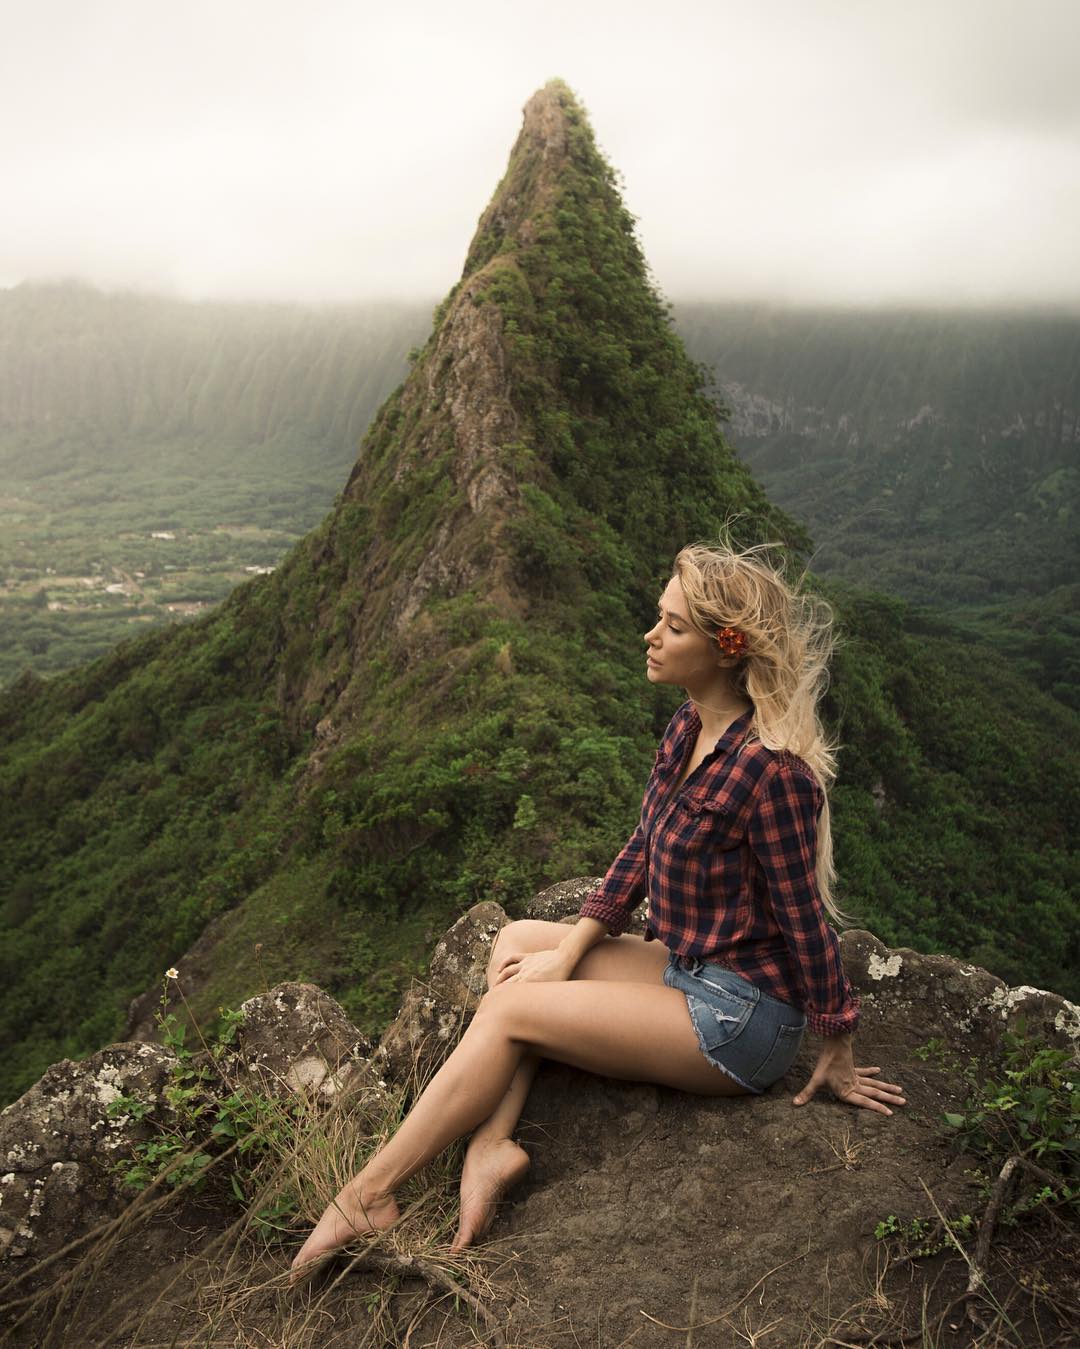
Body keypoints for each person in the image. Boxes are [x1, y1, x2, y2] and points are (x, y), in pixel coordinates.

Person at [290, 538, 905, 1278]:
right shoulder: (687, 729)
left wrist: (836, 1038)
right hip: (686, 970)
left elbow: (804, 918)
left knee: (511, 1008)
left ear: (725, 648)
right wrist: (570, 951)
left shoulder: (772, 772)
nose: (651, 635)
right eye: (659, 617)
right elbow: (639, 851)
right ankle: (491, 1144)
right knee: (516, 941)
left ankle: (370, 1192)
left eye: (673, 627)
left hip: (741, 1020)